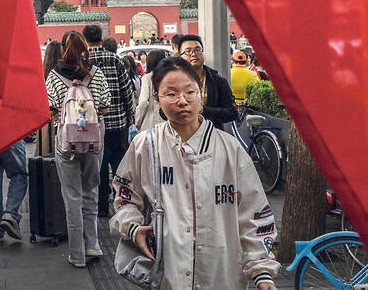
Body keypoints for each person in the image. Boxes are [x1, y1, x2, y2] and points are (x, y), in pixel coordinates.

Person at [111, 57, 280, 290]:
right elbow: (125, 199)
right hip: (167, 275)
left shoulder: (230, 150)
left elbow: (254, 213)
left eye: (190, 92)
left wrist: (262, 271)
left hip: (222, 273)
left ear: (201, 95)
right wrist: (134, 227)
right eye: (170, 94)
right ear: (156, 100)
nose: (182, 101)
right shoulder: (145, 146)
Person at [46, 30, 111, 267]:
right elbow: (105, 106)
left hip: (66, 142)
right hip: (94, 142)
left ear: (63, 48)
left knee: (71, 196)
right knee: (90, 192)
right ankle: (93, 245)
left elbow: (50, 108)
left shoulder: (54, 75)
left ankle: (77, 254)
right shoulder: (96, 73)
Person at [82, 24, 136, 218]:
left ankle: (101, 207)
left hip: (93, 124)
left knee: (99, 165)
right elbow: (126, 89)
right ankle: (123, 203)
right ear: (101, 40)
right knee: (120, 164)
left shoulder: (83, 61)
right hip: (118, 122)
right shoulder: (116, 59)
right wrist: (131, 113)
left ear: (85, 40)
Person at [173, 34, 237, 128]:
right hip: (182, 136)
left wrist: (204, 110)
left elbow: (232, 113)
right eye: (188, 51)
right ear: (180, 56)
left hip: (211, 135)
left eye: (197, 50)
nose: (193, 54)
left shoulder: (218, 81)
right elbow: (163, 112)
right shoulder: (174, 81)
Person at [134, 50, 169, 132]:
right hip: (167, 122)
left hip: (150, 123)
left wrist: (138, 121)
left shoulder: (148, 78)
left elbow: (143, 102)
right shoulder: (169, 77)